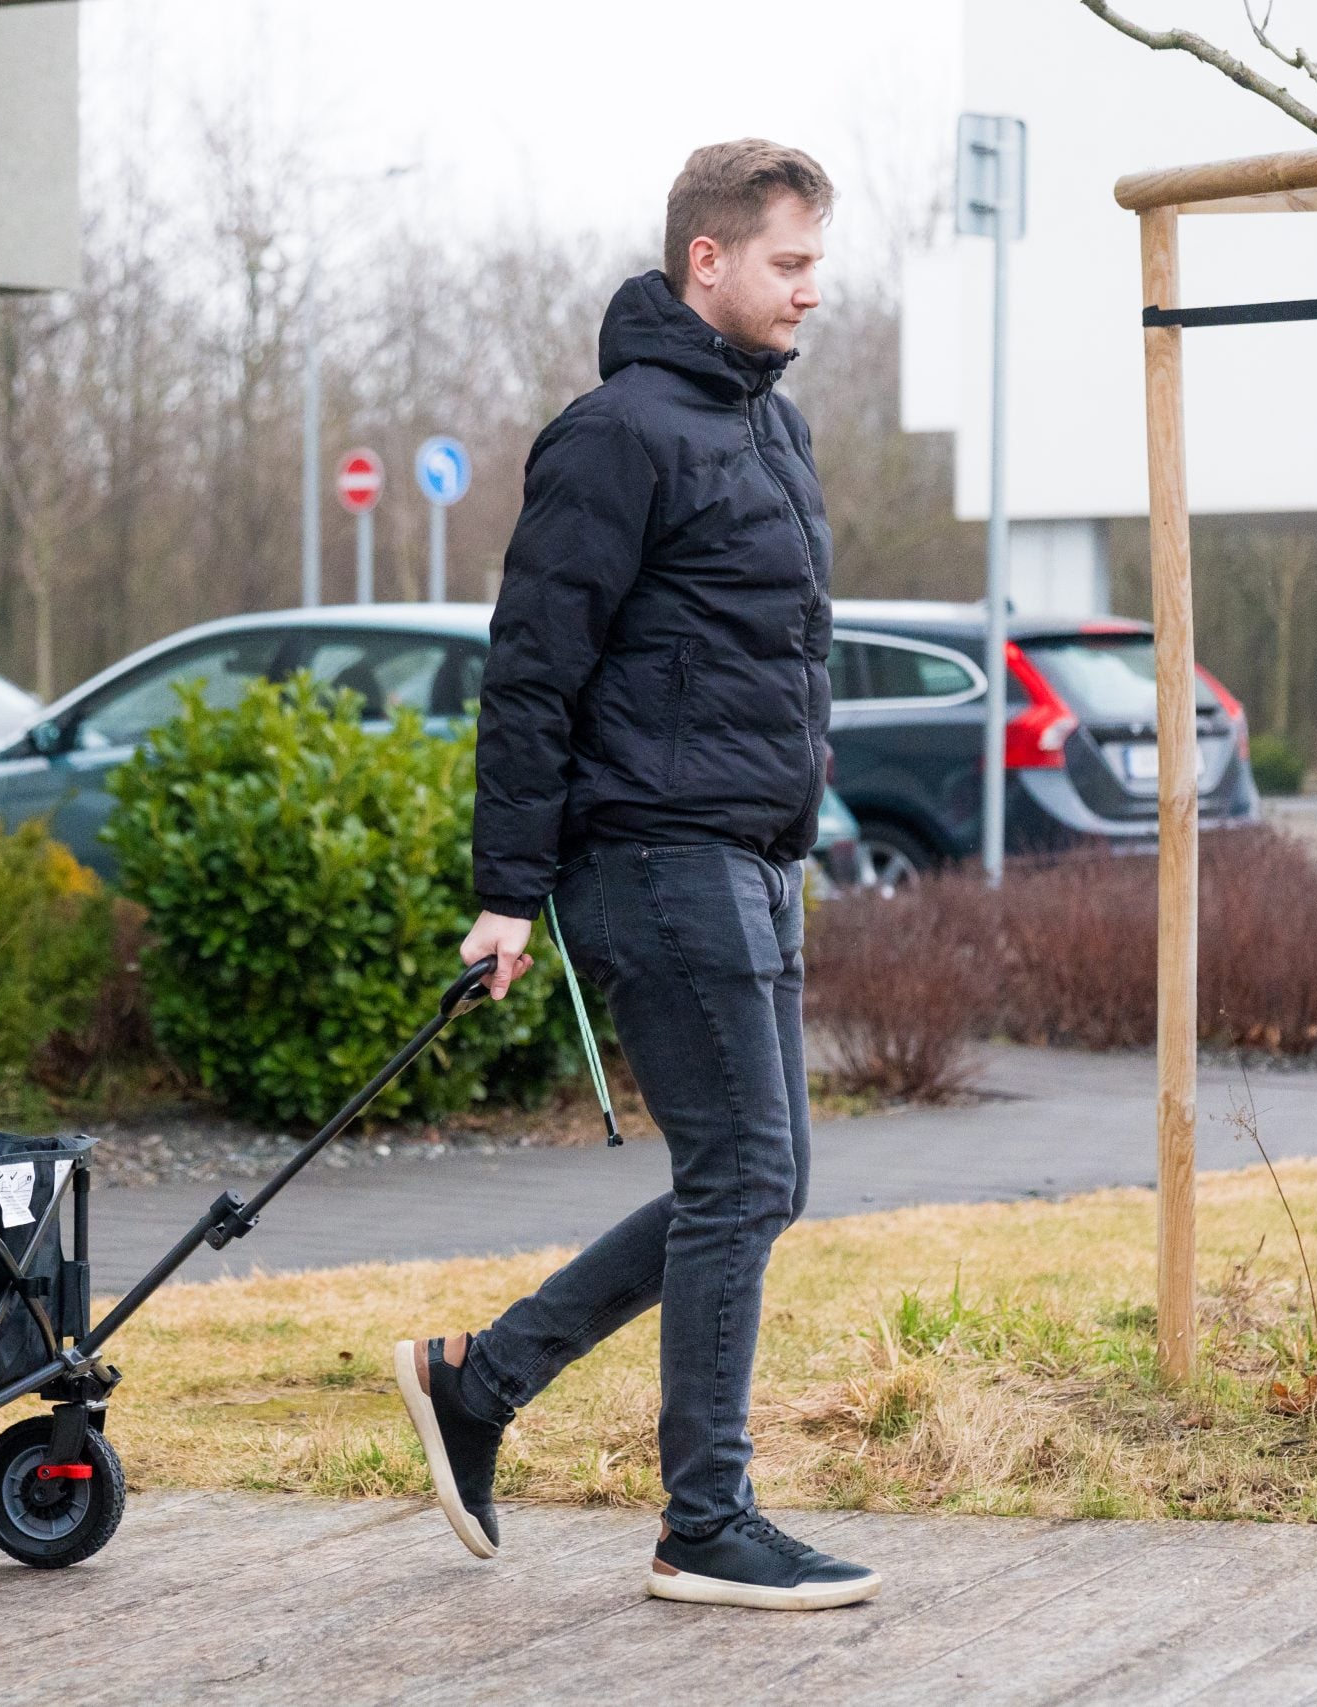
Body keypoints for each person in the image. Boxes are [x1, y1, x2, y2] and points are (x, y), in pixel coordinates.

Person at [394, 139, 877, 1612]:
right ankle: (704, 1521)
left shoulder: (770, 429)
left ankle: (483, 1382)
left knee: (763, 1179)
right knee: (743, 1177)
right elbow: (531, 671)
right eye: (789, 263)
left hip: (751, 856)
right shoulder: (615, 436)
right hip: (657, 856)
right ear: (706, 262)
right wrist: (507, 891)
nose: (812, 290)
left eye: (817, 263)